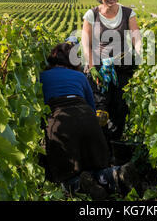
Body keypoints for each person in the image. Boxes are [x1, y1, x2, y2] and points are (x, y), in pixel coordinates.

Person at [40, 41, 139, 199]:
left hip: (60, 120)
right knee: (95, 166)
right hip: (86, 117)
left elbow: (40, 110)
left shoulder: (42, 76)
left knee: (66, 175)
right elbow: (92, 108)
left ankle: (79, 184)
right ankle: (116, 174)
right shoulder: (80, 76)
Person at [81, 0, 142, 146]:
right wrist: (91, 66)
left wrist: (139, 54)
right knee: (100, 110)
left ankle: (113, 145)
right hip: (99, 68)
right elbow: (86, 43)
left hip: (122, 67)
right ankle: (100, 145)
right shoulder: (91, 15)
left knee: (120, 108)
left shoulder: (128, 13)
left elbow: (136, 37)